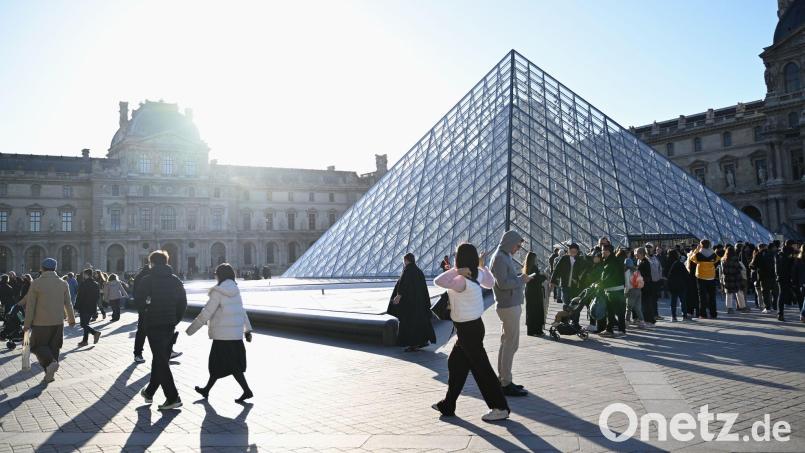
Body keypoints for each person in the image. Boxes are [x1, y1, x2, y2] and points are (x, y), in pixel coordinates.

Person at [432, 242, 510, 421]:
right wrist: (481, 266)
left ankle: (500, 407)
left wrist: (456, 271)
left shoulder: (460, 281)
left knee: (482, 370)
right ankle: (448, 405)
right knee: (456, 364)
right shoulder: (478, 274)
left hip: (467, 330)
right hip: (474, 327)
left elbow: (439, 281)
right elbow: (490, 284)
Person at [187, 263, 254, 403]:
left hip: (223, 336)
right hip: (235, 335)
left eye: (216, 274)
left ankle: (247, 391)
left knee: (227, 366)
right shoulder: (235, 289)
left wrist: (191, 329)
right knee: (220, 365)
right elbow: (242, 311)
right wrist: (247, 330)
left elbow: (206, 312)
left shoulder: (218, 291)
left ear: (220, 275)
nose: (215, 276)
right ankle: (206, 390)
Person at [135, 250, 187, 411]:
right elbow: (183, 303)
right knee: (160, 358)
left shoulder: (147, 280)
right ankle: (150, 392)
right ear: (166, 262)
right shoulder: (175, 280)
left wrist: (146, 313)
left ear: (152, 263)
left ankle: (172, 397)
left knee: (161, 360)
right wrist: (174, 319)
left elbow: (138, 302)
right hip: (169, 324)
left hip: (153, 324)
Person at [20, 258, 76, 384]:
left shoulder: (36, 283)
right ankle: (49, 375)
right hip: (58, 322)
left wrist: (27, 324)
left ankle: (51, 364)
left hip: (40, 322)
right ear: (55, 268)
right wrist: (71, 319)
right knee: (54, 348)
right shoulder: (63, 283)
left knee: (35, 346)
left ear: (42, 268)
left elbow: (30, 306)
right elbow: (68, 303)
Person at [490, 230, 531, 398]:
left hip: (509, 304)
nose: (518, 249)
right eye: (517, 245)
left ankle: (504, 379)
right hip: (508, 305)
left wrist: (520, 278)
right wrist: (521, 279)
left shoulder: (503, 255)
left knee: (507, 343)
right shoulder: (500, 257)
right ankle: (505, 383)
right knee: (510, 345)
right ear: (509, 242)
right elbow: (503, 284)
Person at [387, 253, 436, 352]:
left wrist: (398, 296)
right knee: (420, 323)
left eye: (403, 261)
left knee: (409, 324)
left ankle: (412, 345)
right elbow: (424, 289)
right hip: (420, 304)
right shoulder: (419, 271)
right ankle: (422, 341)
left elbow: (403, 284)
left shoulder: (407, 270)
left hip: (410, 305)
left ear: (406, 260)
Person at [549, 243, 587, 326]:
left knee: (575, 305)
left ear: (577, 251)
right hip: (565, 285)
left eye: (575, 251)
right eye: (571, 251)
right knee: (566, 304)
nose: (573, 253)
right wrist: (552, 281)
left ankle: (575, 322)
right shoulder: (564, 259)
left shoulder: (580, 260)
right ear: (568, 251)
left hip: (576, 287)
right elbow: (557, 270)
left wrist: (579, 279)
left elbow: (584, 270)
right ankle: (565, 321)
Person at [597, 245, 626, 336]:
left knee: (613, 310)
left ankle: (614, 330)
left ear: (607, 251)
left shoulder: (611, 262)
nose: (601, 252)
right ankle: (616, 329)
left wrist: (600, 284)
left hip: (613, 290)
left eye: (602, 251)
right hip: (617, 289)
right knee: (615, 311)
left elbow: (609, 277)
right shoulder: (613, 260)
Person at [688, 240, 718, 319]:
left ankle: (703, 314)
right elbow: (717, 259)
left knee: (702, 297)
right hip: (711, 276)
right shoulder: (713, 254)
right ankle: (713, 313)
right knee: (712, 296)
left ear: (701, 245)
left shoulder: (699, 253)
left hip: (701, 276)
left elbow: (691, 258)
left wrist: (697, 249)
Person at [75, 269, 102, 347]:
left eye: (84, 274)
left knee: (83, 324)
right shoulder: (96, 284)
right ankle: (85, 341)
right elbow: (98, 296)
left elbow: (79, 297)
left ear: (86, 275)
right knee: (86, 324)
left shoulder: (84, 284)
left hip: (84, 306)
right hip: (92, 306)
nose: (83, 276)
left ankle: (95, 333)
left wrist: (76, 307)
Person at [523, 251, 547, 336]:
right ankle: (537, 331)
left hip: (529, 291)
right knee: (537, 310)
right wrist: (544, 276)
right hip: (535, 292)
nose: (537, 259)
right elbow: (537, 280)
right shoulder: (534, 268)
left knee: (530, 311)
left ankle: (531, 331)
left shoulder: (527, 267)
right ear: (533, 259)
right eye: (536, 258)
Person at [721, 245, 746, 315]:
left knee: (729, 294)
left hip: (728, 278)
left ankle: (729, 308)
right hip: (735, 278)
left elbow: (723, 270)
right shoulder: (735, 258)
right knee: (739, 292)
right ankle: (742, 306)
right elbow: (738, 268)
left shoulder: (723, 259)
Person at [132, 264, 150, 363]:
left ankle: (138, 354)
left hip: (143, 309)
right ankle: (166, 352)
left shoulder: (139, 277)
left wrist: (141, 307)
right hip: (152, 309)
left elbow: (135, 294)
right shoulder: (151, 277)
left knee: (141, 332)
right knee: (159, 332)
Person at [775, 241, 796, 322]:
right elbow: (794, 265)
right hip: (789, 277)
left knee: (781, 295)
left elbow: (776, 266)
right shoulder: (791, 253)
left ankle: (780, 313)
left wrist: (778, 275)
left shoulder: (779, 253)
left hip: (781, 277)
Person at [625, 248, 646, 328]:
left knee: (628, 307)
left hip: (631, 290)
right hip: (638, 289)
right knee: (638, 307)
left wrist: (626, 291)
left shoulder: (627, 272)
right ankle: (642, 322)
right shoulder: (636, 270)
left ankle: (626, 322)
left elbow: (627, 283)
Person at [666, 249, 689, 321]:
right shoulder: (679, 263)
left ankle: (673, 316)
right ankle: (684, 315)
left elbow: (666, 274)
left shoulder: (667, 263)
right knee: (683, 301)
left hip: (672, 285)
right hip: (681, 284)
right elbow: (686, 274)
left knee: (673, 301)